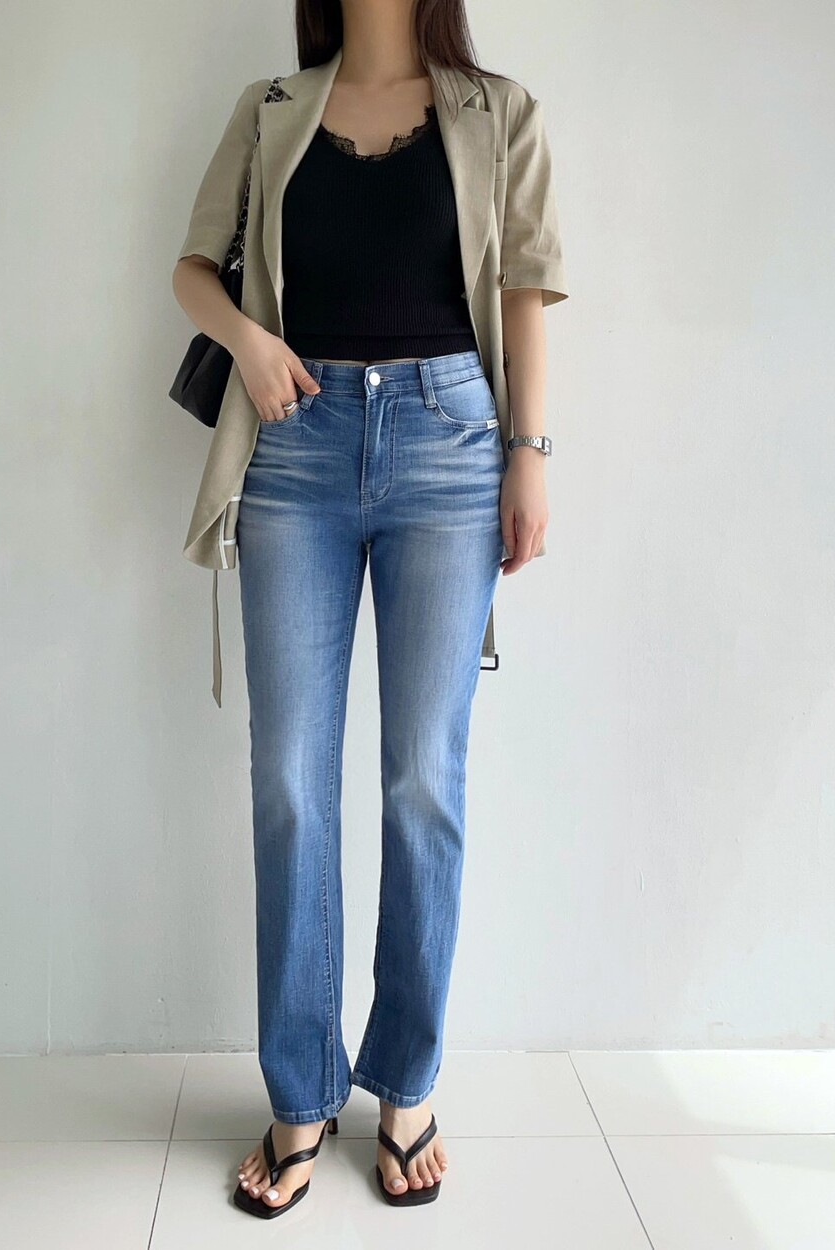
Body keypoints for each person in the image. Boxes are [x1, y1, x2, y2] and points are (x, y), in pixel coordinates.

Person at [172, 0, 568, 1219]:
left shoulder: (500, 112)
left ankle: (404, 1085)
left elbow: (525, 285)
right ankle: (301, 1092)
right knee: (291, 776)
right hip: (294, 443)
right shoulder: (271, 108)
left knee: (422, 778)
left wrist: (529, 453)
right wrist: (249, 341)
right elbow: (191, 269)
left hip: (451, 446)